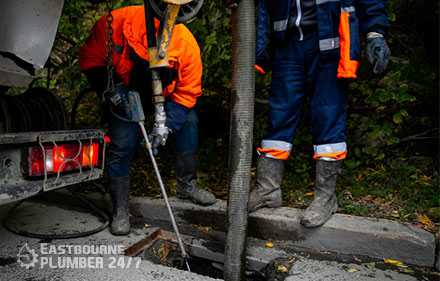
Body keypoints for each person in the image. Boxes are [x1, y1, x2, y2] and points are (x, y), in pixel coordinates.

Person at [248, 0, 390, 227]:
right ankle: (268, 189)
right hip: (288, 44)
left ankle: (326, 198)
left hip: (330, 43)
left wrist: (375, 32)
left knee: (328, 116)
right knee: (279, 116)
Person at [78, 5, 216, 236]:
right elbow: (91, 56)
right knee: (122, 140)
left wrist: (167, 125)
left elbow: (188, 93)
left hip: (166, 96)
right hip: (127, 92)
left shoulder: (186, 46)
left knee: (188, 122)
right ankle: (120, 207)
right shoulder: (116, 23)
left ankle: (187, 185)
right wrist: (110, 89)